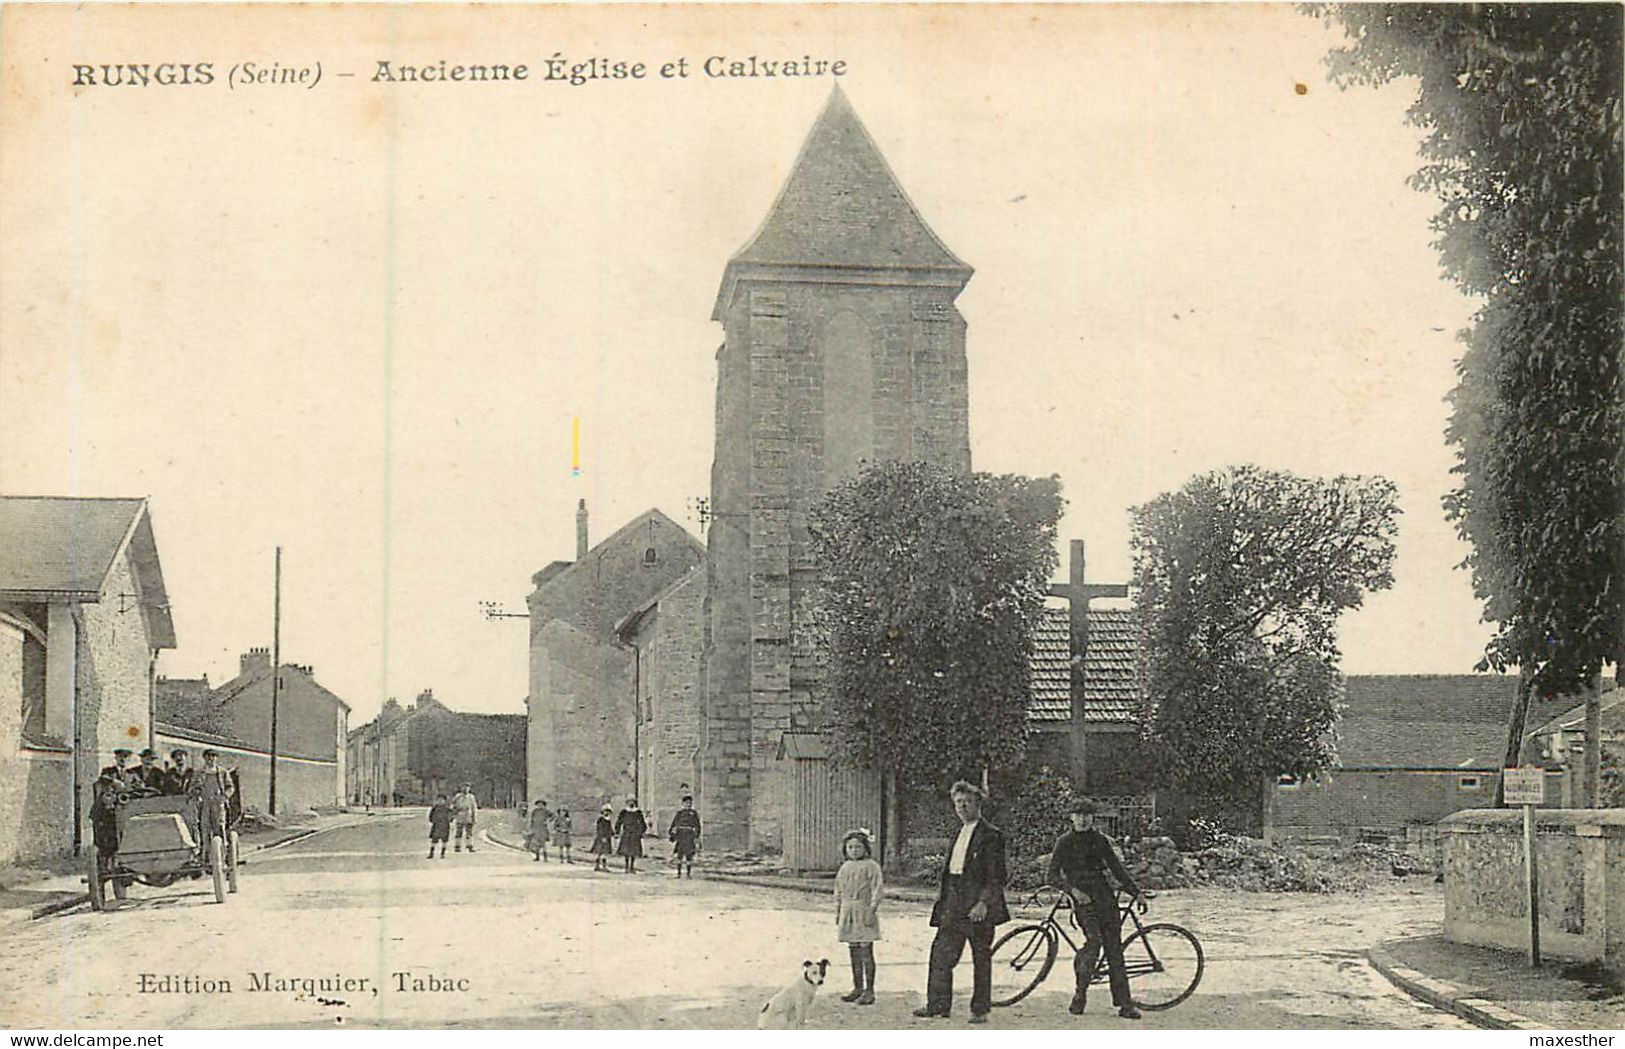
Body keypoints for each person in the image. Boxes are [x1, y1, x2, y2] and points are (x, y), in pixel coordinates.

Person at [914, 780, 1009, 1025]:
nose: (962, 806)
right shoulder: (957, 832)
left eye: (967, 801)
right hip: (954, 901)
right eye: (958, 802)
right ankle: (938, 1005)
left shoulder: (992, 835)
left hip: (978, 903)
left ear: (978, 803)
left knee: (980, 957)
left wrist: (983, 903)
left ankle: (980, 1009)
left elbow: (997, 876)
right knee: (941, 954)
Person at [1048, 799, 1146, 1020]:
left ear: (1093, 818)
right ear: (1071, 817)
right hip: (1083, 902)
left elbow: (1116, 868)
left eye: (1087, 815)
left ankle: (1124, 1004)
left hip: (1104, 899)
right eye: (1078, 814)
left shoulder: (1100, 840)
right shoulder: (1064, 842)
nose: (1083, 819)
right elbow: (1052, 875)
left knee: (1114, 950)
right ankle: (1079, 995)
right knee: (1094, 942)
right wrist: (1073, 891)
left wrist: (1136, 892)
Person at [834, 828, 883, 1005]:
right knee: (853, 949)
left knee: (866, 951)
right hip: (848, 911)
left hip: (863, 910)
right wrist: (838, 911)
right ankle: (857, 987)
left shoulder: (871, 866)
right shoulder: (845, 868)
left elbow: (878, 890)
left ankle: (870, 991)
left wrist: (872, 910)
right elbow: (838, 891)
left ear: (865, 849)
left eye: (858, 847)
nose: (854, 850)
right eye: (850, 847)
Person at [194, 749, 235, 847]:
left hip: (218, 802)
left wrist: (224, 796)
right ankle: (206, 853)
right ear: (204, 758)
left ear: (216, 758)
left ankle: (222, 851)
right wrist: (197, 795)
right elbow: (193, 787)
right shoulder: (199, 772)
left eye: (213, 756)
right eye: (208, 756)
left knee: (219, 826)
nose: (210, 759)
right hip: (204, 803)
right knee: (205, 827)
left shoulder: (222, 772)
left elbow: (230, 787)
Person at [667, 794, 701, 878]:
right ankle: (678, 873)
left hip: (689, 836)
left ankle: (688, 874)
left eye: (689, 803)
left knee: (689, 854)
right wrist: (671, 833)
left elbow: (697, 825)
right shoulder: (679, 813)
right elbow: (674, 823)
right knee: (679, 854)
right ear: (683, 803)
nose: (688, 804)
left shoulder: (693, 813)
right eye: (686, 803)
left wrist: (696, 835)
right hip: (681, 835)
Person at [614, 797, 646, 874]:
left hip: (635, 833)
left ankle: (632, 867)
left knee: (634, 851)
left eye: (633, 802)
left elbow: (642, 823)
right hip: (627, 832)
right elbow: (619, 822)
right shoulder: (624, 812)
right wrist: (617, 831)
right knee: (626, 851)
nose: (631, 803)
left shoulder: (638, 812)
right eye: (629, 802)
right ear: (627, 803)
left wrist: (641, 831)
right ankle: (626, 866)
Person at [451, 784, 478, 852]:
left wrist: (474, 818)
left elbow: (474, 807)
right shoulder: (458, 796)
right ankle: (457, 846)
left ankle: (469, 845)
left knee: (469, 832)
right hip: (460, 815)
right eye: (464, 787)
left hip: (468, 816)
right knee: (458, 832)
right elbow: (453, 806)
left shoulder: (471, 797)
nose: (465, 789)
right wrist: (453, 815)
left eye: (467, 787)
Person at [590, 805, 615, 871]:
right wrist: (602, 837)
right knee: (600, 852)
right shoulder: (601, 820)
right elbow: (600, 829)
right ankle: (598, 865)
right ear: (602, 812)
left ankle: (602, 866)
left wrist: (613, 833)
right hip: (601, 838)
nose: (607, 813)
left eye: (608, 811)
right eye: (605, 811)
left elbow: (609, 828)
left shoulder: (608, 820)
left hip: (607, 837)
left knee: (604, 853)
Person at [427, 794, 452, 858]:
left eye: (442, 800)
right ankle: (431, 853)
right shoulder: (435, 808)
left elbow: (451, 816)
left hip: (445, 826)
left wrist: (449, 820)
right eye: (439, 800)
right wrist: (433, 821)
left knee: (444, 840)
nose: (440, 801)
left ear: (445, 801)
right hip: (436, 826)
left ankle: (442, 853)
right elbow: (431, 816)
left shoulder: (447, 808)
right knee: (434, 840)